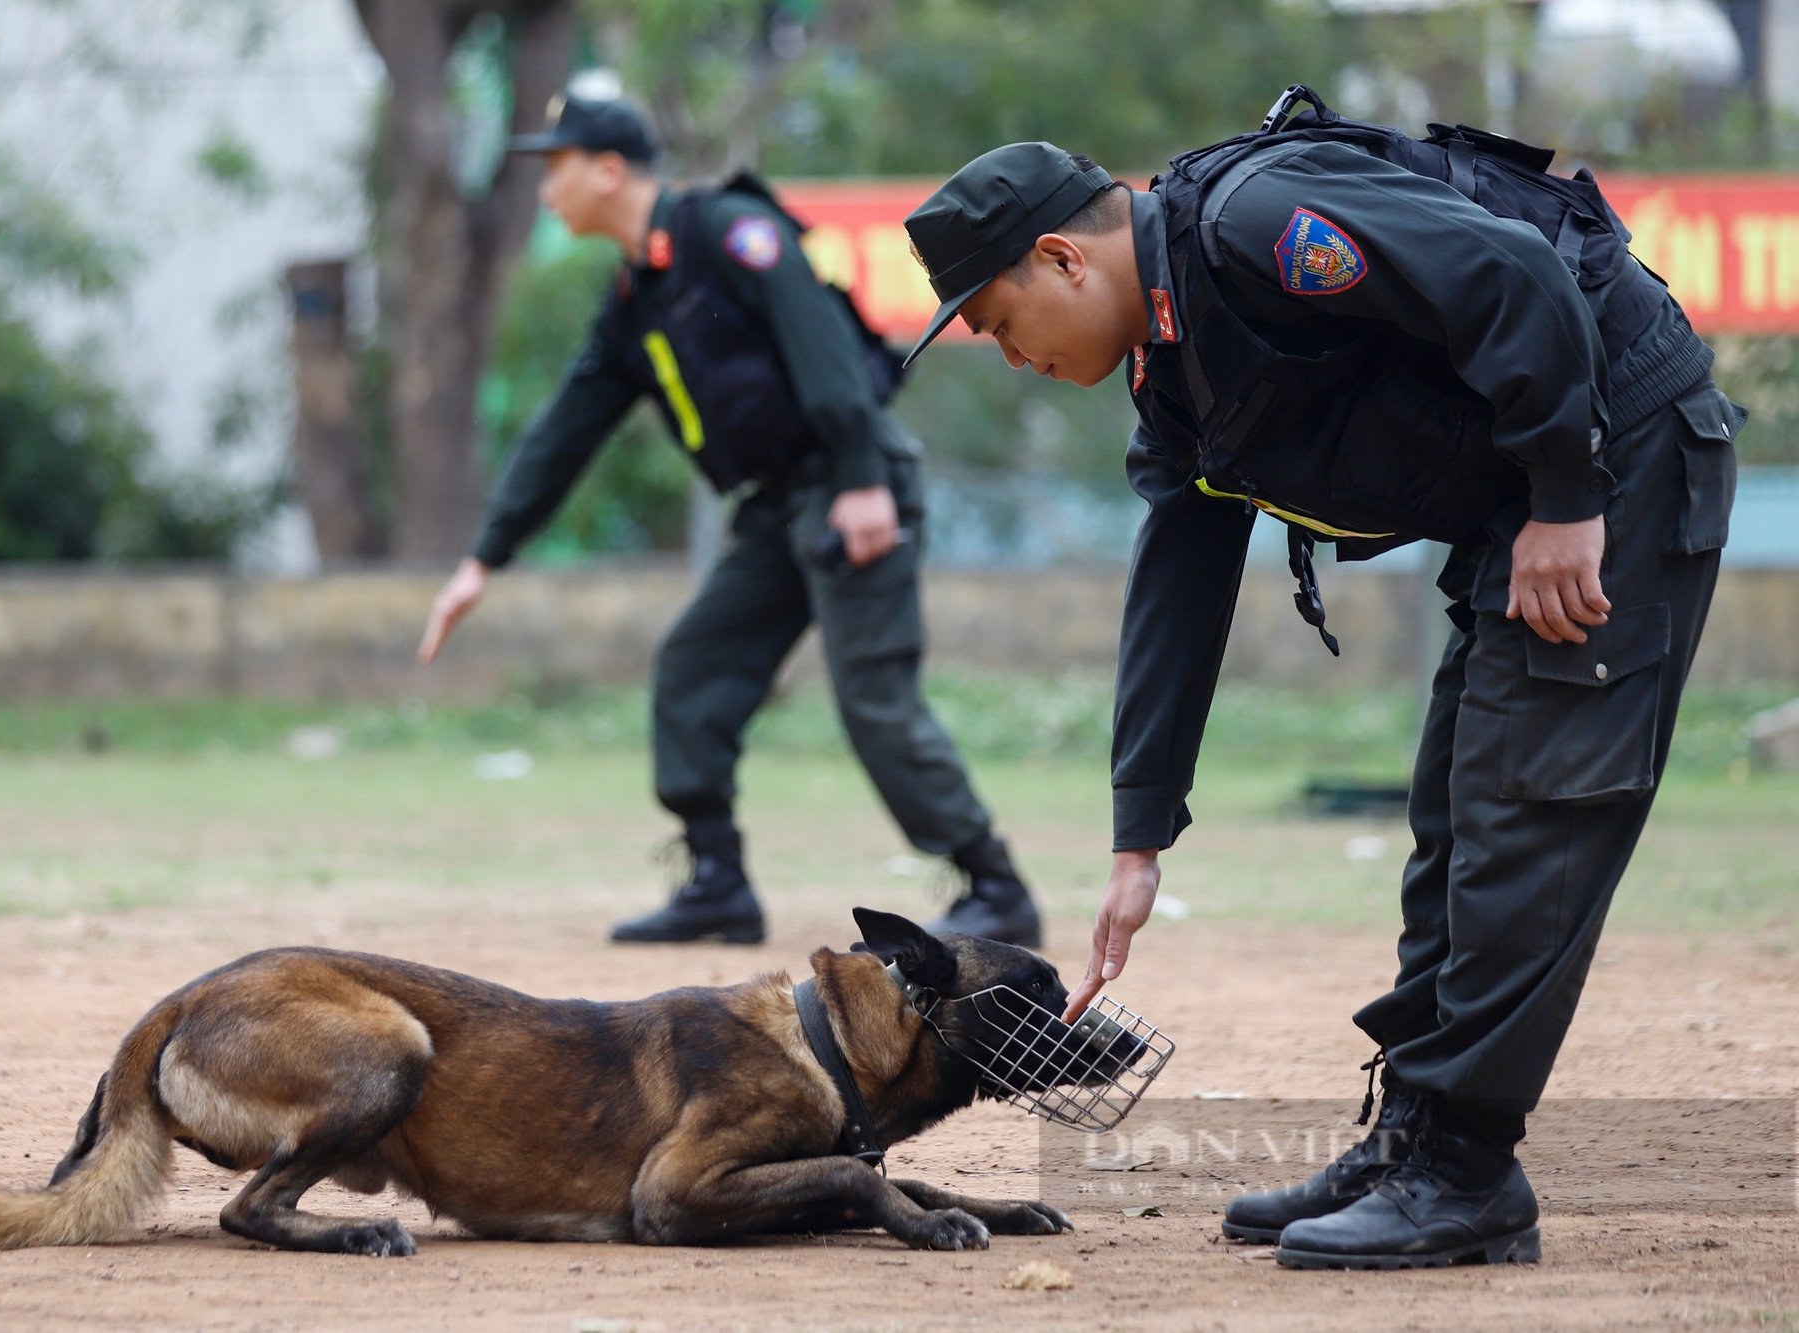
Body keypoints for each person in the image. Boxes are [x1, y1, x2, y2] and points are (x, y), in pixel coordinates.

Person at [902, 89, 1738, 1269]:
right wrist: (1139, 841)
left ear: (1058, 257)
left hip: (1616, 449)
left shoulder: (1255, 222)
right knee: (1453, 819)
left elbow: (1512, 276)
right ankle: (1412, 1140)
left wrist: (1564, 494)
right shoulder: (1172, 368)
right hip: (1538, 491)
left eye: (994, 320)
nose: (1008, 354)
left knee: (1524, 816)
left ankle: (1462, 1173)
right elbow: (1175, 584)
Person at [419, 92, 1043, 947]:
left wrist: (861, 477)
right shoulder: (637, 297)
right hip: (781, 502)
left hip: (850, 479)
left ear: (608, 170)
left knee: (873, 695)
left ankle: (993, 883)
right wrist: (483, 558)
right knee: (694, 665)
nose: (544, 191)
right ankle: (718, 883)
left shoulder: (728, 229)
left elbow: (820, 341)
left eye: (555, 169)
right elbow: (566, 429)